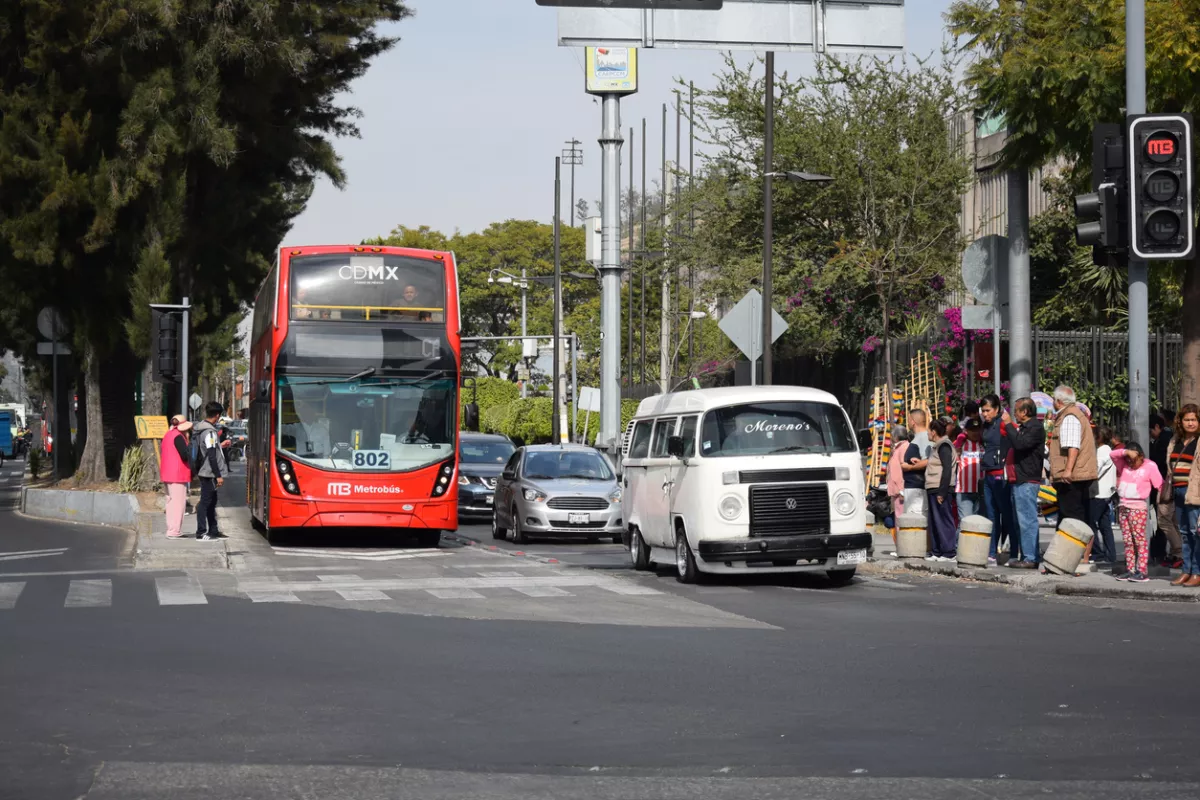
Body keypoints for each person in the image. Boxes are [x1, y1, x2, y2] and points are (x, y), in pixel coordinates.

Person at [1110, 442, 1163, 583]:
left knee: (1140, 541)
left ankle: (1142, 571)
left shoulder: (1150, 466)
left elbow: (1159, 484)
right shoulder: (1125, 465)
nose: (1131, 462)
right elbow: (1112, 455)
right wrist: (1126, 452)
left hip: (1138, 507)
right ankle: (1130, 569)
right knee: (1128, 541)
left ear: (1141, 456)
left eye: (1134, 459)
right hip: (1123, 506)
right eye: (1128, 459)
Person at [1047, 385, 1097, 525]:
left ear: (1059, 401)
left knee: (1072, 518)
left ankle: (1080, 547)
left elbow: (1073, 446)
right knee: (1070, 518)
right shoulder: (1072, 414)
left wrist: (1068, 470)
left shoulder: (1069, 416)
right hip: (1075, 476)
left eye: (1053, 399)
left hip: (1071, 478)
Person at [1007, 397, 1046, 568]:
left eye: (1016, 410)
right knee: (1020, 520)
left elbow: (1020, 444)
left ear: (1024, 412)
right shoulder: (1025, 428)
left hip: (1028, 479)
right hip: (1019, 478)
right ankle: (1027, 555)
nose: (1014, 414)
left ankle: (1030, 557)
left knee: (1027, 520)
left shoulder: (1035, 427)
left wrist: (1009, 425)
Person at [1167, 405, 1200, 586]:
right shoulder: (1176, 440)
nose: (1190, 423)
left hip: (1195, 492)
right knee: (1185, 533)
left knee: (1197, 534)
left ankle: (1197, 571)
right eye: (1187, 420)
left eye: (1194, 420)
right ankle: (1186, 571)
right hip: (1178, 491)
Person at [979, 395, 1014, 562]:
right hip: (988, 475)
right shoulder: (986, 425)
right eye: (983, 410)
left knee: (1006, 514)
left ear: (997, 409)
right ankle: (992, 552)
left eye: (988, 410)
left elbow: (1015, 438)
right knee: (991, 516)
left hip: (1001, 474)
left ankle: (1012, 551)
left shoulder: (1002, 423)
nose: (985, 414)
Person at [192, 401, 229, 541]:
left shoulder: (201, 428)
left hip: (204, 470)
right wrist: (218, 475)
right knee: (205, 502)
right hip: (208, 472)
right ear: (217, 415)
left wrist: (221, 444)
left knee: (212, 501)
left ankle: (213, 530)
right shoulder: (210, 432)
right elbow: (212, 456)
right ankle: (201, 532)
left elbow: (209, 450)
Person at [1150, 412, 1183, 568]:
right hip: (1168, 485)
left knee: (1165, 521)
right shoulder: (1170, 440)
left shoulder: (1165, 441)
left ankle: (1178, 552)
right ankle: (1177, 553)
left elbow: (1162, 465)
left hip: (1166, 486)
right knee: (1173, 521)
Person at [924, 419, 958, 561]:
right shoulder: (937, 446)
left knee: (944, 520)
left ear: (934, 432)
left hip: (940, 488)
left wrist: (942, 492)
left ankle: (949, 552)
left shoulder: (944, 446)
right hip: (933, 487)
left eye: (929, 430)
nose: (927, 433)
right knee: (935, 521)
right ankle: (936, 551)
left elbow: (947, 471)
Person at [160, 415, 193, 540]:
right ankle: (174, 530)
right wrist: (188, 443)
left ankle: (170, 529)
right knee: (178, 503)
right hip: (178, 474)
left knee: (170, 502)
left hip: (167, 473)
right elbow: (184, 455)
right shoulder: (179, 437)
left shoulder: (168, 435)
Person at [1089, 426, 1118, 565]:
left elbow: (1095, 470)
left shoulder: (1102, 451)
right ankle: (1110, 555)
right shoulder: (1108, 451)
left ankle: (1097, 552)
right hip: (1106, 493)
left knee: (1090, 524)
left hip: (1099, 493)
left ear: (1098, 437)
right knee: (1104, 525)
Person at [900, 409, 931, 516]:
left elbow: (929, 461)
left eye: (908, 419)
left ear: (912, 421)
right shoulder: (919, 438)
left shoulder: (924, 438)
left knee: (916, 521)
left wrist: (909, 468)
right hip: (913, 487)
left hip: (918, 488)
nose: (907, 423)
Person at [954, 418, 984, 520]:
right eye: (972, 430)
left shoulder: (984, 444)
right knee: (965, 523)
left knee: (979, 525)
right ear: (966, 431)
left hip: (982, 492)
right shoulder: (960, 444)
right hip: (964, 491)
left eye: (977, 430)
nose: (975, 433)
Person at [887, 424, 910, 527]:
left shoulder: (904, 447)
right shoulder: (898, 447)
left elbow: (905, 469)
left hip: (900, 489)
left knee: (900, 519)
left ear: (896, 436)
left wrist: (902, 490)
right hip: (897, 490)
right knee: (897, 517)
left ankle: (902, 542)